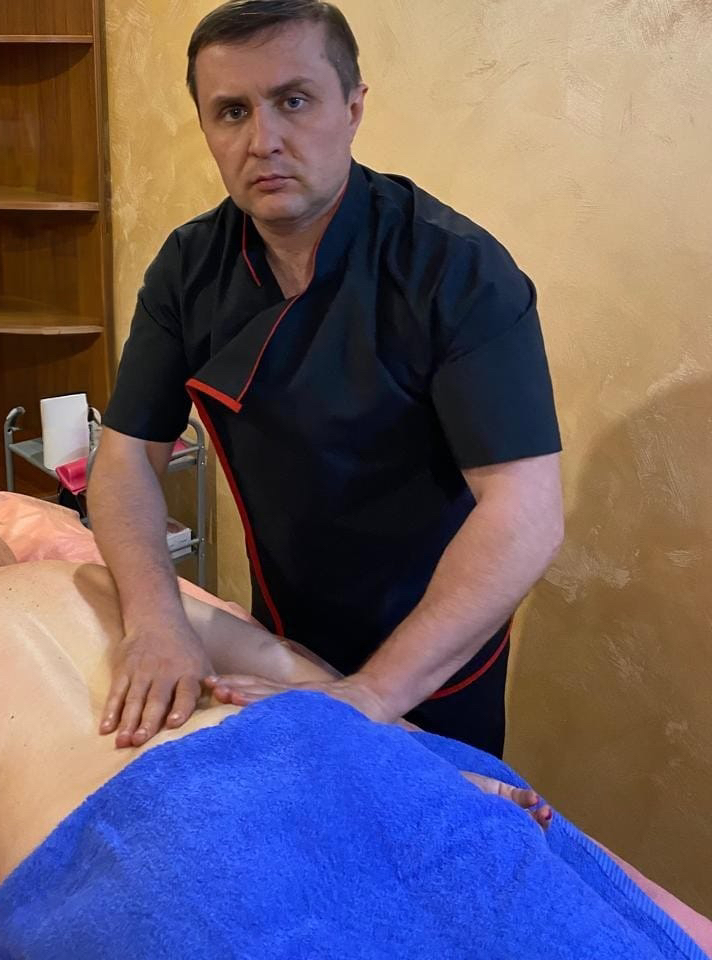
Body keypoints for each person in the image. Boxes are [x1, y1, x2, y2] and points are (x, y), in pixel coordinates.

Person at [0, 456, 564, 959]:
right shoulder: (103, 581)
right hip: (295, 766)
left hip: (127, 864)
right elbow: (286, 666)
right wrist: (413, 762)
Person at [88, 0, 565, 760]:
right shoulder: (190, 266)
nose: (263, 140)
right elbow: (125, 456)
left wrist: (372, 693)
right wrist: (154, 621)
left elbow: (525, 511)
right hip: (280, 639)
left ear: (352, 108)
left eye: (294, 100)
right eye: (232, 111)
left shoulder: (457, 272)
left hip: (434, 666)